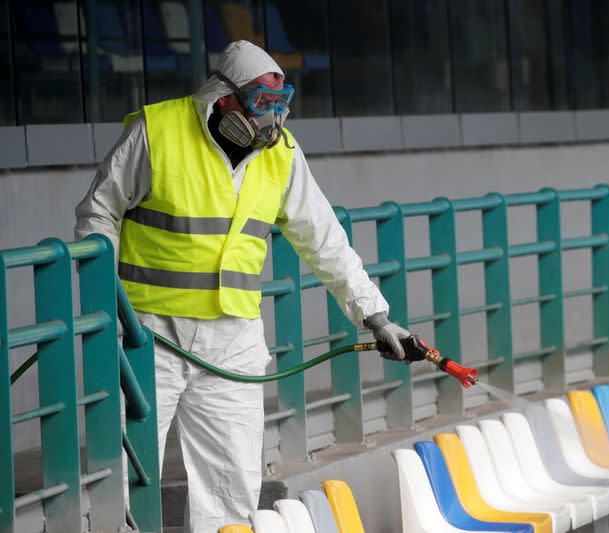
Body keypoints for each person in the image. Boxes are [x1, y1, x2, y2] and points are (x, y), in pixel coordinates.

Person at [74, 40, 410, 533]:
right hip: (148, 336)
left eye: (281, 104)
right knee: (122, 476)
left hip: (232, 341)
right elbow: (97, 214)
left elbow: (325, 241)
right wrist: (109, 309)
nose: (273, 119)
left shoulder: (282, 156)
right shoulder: (159, 132)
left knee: (231, 484)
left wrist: (374, 316)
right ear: (223, 98)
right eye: (261, 103)